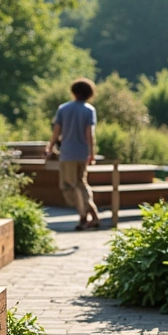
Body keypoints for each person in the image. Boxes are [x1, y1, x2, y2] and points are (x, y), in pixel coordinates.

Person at [44, 78, 101, 230]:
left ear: (74, 92)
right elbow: (90, 134)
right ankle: (90, 215)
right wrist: (91, 153)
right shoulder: (89, 110)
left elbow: (56, 130)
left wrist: (49, 147)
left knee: (69, 185)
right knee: (81, 183)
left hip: (67, 153)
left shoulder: (63, 109)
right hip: (82, 153)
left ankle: (85, 216)